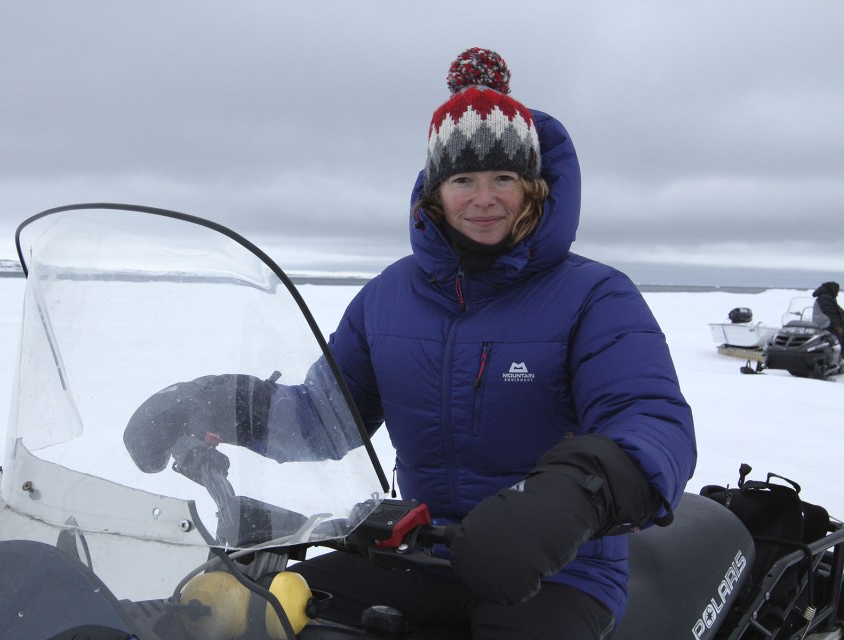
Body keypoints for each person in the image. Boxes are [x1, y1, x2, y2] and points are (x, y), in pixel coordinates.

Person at [125, 47, 697, 639]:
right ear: (434, 190)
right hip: (418, 551)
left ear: (534, 188)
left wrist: (570, 500)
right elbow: (321, 419)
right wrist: (211, 403)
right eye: (463, 179)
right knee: (258, 620)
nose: (484, 198)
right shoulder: (387, 297)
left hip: (558, 570)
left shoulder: (595, 295)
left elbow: (651, 420)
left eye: (504, 177)